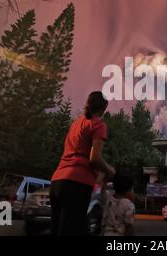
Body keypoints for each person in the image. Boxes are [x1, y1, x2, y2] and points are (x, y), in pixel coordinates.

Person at [50, 91, 115, 236]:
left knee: (58, 230)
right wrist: (110, 171)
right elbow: (94, 158)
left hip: (57, 181)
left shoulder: (76, 124)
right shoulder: (98, 125)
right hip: (77, 184)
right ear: (104, 108)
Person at [101, 171, 135, 236]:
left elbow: (102, 190)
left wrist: (105, 179)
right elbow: (129, 227)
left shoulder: (108, 198)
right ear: (130, 189)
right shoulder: (129, 205)